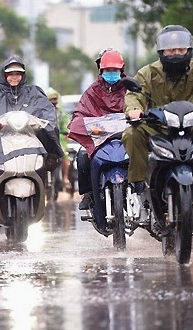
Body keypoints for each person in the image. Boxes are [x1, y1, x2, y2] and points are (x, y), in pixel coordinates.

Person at [122, 25, 193, 198]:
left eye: (181, 49)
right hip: (158, 127)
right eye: (171, 50)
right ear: (161, 52)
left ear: (189, 49)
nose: (176, 53)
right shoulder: (148, 73)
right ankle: (139, 184)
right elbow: (135, 94)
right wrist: (134, 110)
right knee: (131, 133)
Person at [68, 49, 127, 210]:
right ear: (101, 70)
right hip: (100, 139)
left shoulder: (131, 87)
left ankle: (146, 192)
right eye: (107, 70)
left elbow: (142, 106)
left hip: (127, 138)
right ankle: (89, 193)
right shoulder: (92, 91)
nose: (111, 73)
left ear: (121, 70)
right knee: (82, 157)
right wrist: (80, 123)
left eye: (114, 70)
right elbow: (81, 112)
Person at [0, 55, 64, 170]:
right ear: (4, 74)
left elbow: (46, 111)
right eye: (10, 74)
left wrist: (42, 123)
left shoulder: (34, 92)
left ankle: (45, 172)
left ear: (22, 75)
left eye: (17, 74)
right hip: (1, 142)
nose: (14, 77)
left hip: (30, 138)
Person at [46, 87, 72, 192]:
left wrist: (67, 132)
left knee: (65, 156)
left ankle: (65, 177)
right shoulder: (43, 112)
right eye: (51, 99)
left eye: (55, 99)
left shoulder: (61, 113)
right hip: (47, 138)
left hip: (60, 138)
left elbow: (66, 125)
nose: (53, 102)